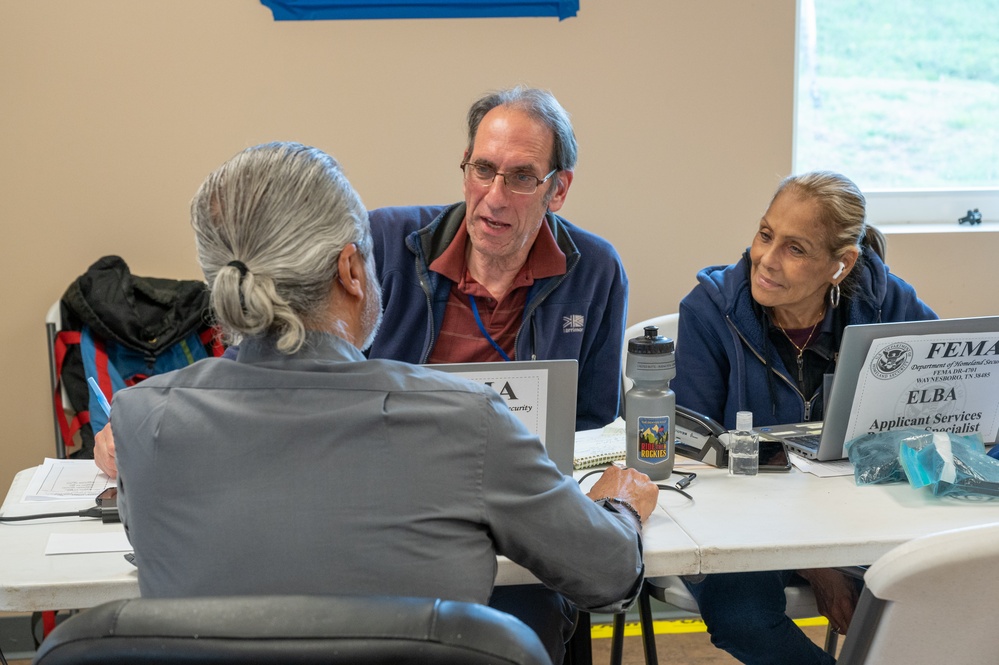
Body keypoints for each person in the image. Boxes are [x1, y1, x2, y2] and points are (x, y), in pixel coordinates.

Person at [110, 142, 658, 665]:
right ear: (351, 270)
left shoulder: (142, 419)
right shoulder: (469, 422)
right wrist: (620, 505)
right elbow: (607, 574)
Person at [670, 171, 936, 665]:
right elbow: (698, 457)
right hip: (740, 523)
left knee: (945, 585)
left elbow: (952, 403)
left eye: (795, 249)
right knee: (742, 616)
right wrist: (820, 565)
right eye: (765, 235)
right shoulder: (709, 311)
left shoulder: (888, 304)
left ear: (841, 264)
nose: (766, 261)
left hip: (860, 517)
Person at [366, 86, 628, 432]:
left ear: (558, 190)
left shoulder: (595, 271)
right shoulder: (385, 243)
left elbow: (593, 422)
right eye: (484, 169)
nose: (495, 197)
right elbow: (333, 389)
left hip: (528, 475)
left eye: (521, 177)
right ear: (465, 169)